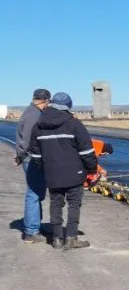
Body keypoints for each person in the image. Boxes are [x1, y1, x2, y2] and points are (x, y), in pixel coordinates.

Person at [27, 92, 98, 250]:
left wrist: (45, 169)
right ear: (68, 106)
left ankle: (57, 239)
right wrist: (92, 169)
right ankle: (71, 238)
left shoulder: (38, 126)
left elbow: (36, 154)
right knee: (74, 204)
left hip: (52, 174)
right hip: (74, 174)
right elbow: (86, 152)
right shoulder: (74, 124)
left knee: (55, 204)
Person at [14, 89, 50, 243]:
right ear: (46, 101)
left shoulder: (30, 112)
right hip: (32, 159)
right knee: (33, 194)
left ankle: (35, 225)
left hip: (28, 158)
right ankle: (31, 231)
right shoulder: (34, 115)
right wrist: (22, 156)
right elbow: (28, 141)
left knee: (36, 193)